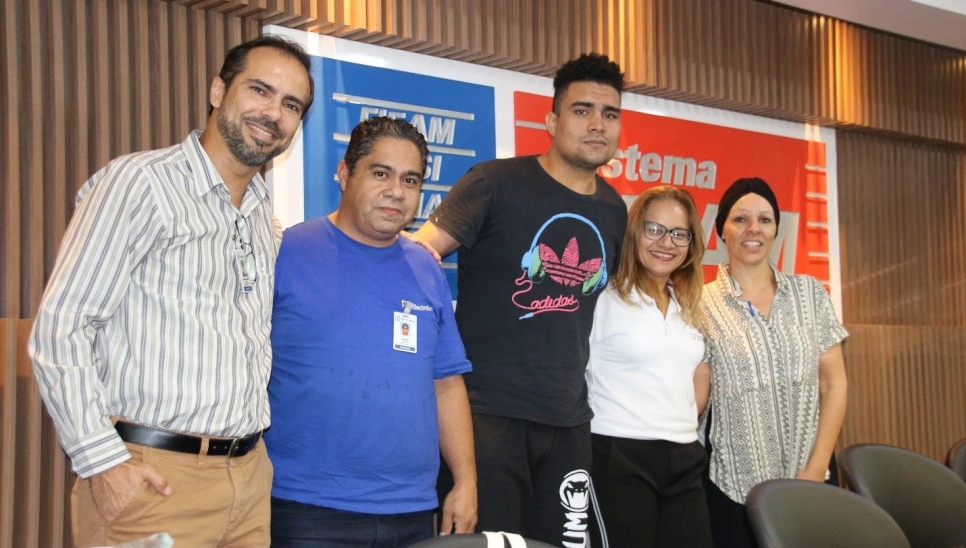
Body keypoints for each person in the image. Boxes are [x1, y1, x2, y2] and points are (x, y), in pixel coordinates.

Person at [28, 35, 314, 547]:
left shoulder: (262, 221)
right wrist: (102, 462)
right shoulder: (139, 184)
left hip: (248, 481)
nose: (273, 113)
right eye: (260, 90)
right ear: (217, 90)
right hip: (153, 481)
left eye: (291, 105)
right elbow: (61, 328)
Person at [416, 53, 629, 545]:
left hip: (569, 421)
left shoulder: (615, 210)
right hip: (488, 419)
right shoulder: (495, 183)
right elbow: (418, 259)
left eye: (610, 113)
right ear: (552, 120)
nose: (597, 124)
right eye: (582, 110)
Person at [266, 116, 477, 547]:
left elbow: (447, 383)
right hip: (306, 509)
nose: (396, 191)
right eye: (381, 173)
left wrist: (466, 480)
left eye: (411, 179)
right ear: (345, 174)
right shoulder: (286, 252)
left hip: (413, 510)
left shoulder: (426, 269)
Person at [700, 177, 849, 547]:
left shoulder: (810, 293)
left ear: (776, 230)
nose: (754, 229)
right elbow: (696, 398)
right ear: (721, 230)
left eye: (765, 220)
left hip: (811, 481)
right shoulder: (699, 304)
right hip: (733, 490)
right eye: (740, 219)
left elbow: (834, 385)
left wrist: (816, 469)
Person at [586, 186, 712, 547]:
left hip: (686, 457)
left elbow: (694, 374)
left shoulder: (686, 305)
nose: (666, 243)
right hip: (618, 458)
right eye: (654, 229)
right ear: (634, 233)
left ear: (691, 243)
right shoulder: (603, 298)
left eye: (678, 234)